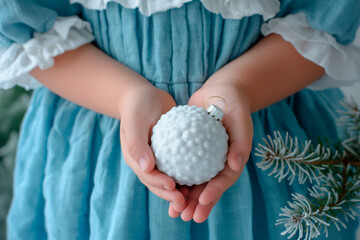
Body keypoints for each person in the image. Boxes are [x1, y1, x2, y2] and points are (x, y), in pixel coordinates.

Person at [1, 0, 359, 239]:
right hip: (97, 134)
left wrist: (239, 86)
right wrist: (126, 96)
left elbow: (327, 18)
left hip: (271, 138)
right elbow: (25, 27)